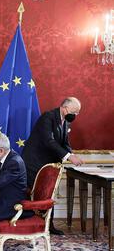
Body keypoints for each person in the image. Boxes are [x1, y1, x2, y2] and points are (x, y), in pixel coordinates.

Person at [22, 97, 84, 235]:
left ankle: (48, 225)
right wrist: (69, 157)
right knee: (31, 192)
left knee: (48, 192)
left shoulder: (66, 121)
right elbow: (48, 141)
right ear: (65, 108)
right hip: (34, 162)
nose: (75, 115)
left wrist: (72, 155)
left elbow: (64, 143)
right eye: (74, 112)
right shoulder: (48, 117)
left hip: (49, 164)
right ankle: (26, 224)